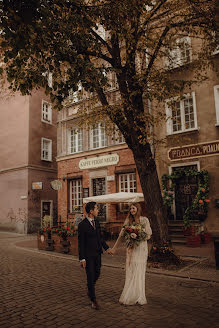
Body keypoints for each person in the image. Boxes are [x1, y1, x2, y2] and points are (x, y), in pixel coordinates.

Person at [111, 203, 152, 305]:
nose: (131, 210)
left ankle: (139, 295)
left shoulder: (144, 220)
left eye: (133, 208)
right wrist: (114, 248)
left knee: (140, 270)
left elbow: (148, 235)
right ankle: (130, 294)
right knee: (132, 270)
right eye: (130, 209)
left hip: (141, 248)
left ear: (137, 209)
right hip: (131, 249)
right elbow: (121, 236)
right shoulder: (128, 221)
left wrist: (139, 236)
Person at [78, 201, 113, 310]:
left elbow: (100, 238)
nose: (98, 210)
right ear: (91, 211)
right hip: (88, 256)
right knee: (90, 275)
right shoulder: (82, 225)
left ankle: (90, 287)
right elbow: (81, 243)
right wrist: (82, 258)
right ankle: (93, 300)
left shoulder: (96, 222)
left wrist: (107, 248)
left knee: (97, 272)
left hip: (97, 253)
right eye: (97, 209)